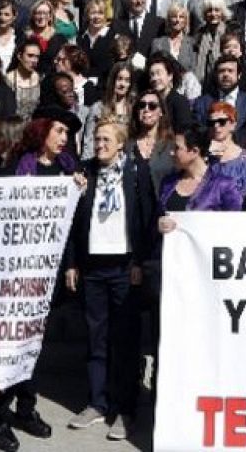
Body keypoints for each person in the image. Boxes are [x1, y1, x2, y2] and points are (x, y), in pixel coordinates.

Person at [64, 122, 158, 441]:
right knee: (96, 336)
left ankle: (126, 409)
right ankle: (98, 402)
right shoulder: (84, 172)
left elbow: (145, 218)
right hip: (92, 267)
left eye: (107, 139)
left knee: (126, 340)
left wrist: (139, 262)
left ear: (121, 145)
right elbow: (75, 221)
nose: (100, 143)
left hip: (124, 267)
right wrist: (73, 263)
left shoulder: (135, 172)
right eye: (97, 138)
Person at [158, 126, 244, 218]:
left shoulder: (223, 185)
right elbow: (158, 217)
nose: (171, 153)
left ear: (194, 151)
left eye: (177, 148)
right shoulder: (168, 183)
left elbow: (234, 223)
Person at [202, 102, 246, 209]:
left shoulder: (245, 159)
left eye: (222, 122)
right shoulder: (202, 157)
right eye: (211, 122)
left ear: (233, 125)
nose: (216, 126)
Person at [130, 91, 177, 189]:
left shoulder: (171, 146)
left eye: (152, 106)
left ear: (161, 112)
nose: (146, 109)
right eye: (142, 105)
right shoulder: (128, 146)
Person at [13, 113, 78, 177]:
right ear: (43, 131)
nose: (65, 138)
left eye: (66, 133)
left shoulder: (69, 165)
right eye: (59, 131)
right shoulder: (22, 166)